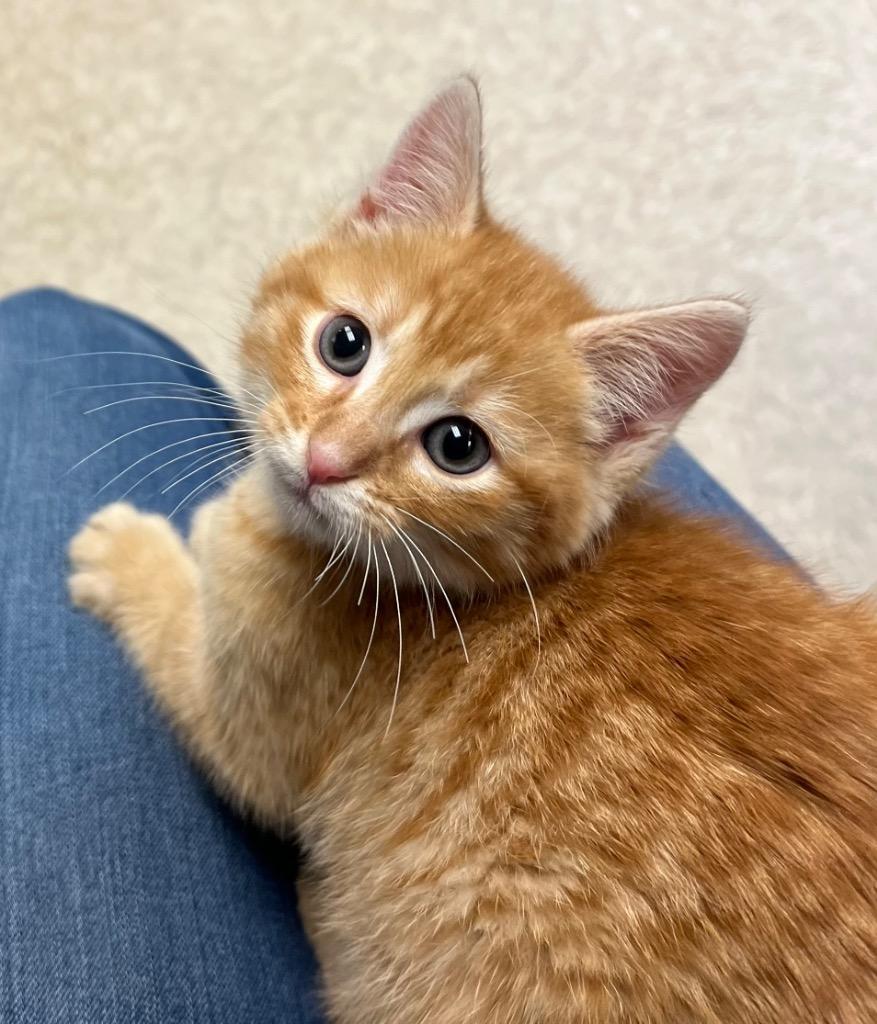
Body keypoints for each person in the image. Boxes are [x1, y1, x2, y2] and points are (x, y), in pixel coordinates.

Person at [0, 287, 785, 1023]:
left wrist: (147, 583)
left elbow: (259, 764)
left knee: (49, 327)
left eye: (454, 444)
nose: (327, 452)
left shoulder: (397, 603)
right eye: (345, 346)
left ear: (619, 433)